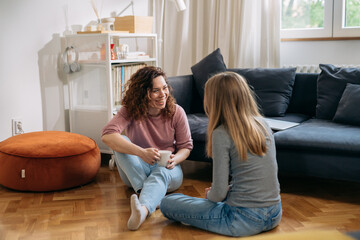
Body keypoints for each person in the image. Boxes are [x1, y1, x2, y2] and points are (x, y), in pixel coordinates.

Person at [160, 71, 282, 237]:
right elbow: (257, 176)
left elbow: (217, 195)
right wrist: (228, 190)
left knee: (168, 202)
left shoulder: (221, 133)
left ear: (215, 102)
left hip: (242, 219)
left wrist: (212, 194)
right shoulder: (263, 124)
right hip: (275, 213)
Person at [101, 66, 193, 231]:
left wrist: (175, 159)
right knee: (120, 140)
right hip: (136, 168)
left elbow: (186, 147)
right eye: (155, 91)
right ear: (143, 93)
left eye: (164, 88)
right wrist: (141, 153)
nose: (163, 94)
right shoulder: (130, 110)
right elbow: (107, 135)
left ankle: (142, 211)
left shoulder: (177, 112)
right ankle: (151, 194)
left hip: (168, 169)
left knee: (162, 171)